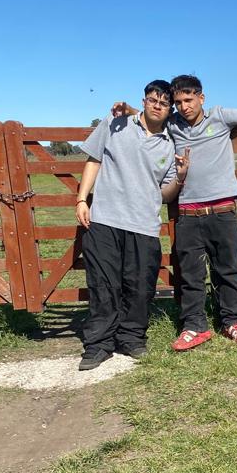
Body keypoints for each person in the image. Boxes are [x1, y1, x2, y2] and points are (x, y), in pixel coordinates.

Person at [115, 75, 237, 351]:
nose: (184, 106)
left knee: (227, 269)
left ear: (202, 98)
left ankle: (232, 321)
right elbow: (149, 115)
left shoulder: (220, 116)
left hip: (223, 210)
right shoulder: (173, 123)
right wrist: (128, 110)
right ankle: (194, 326)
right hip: (188, 213)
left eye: (189, 100)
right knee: (190, 273)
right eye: (178, 102)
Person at [76, 80, 190, 371]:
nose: (157, 106)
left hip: (144, 224)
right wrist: (81, 199)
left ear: (169, 109)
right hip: (105, 218)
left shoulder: (170, 142)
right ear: (144, 100)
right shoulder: (116, 123)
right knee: (103, 284)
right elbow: (93, 159)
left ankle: (131, 338)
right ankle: (98, 344)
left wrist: (180, 176)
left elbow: (165, 195)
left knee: (140, 286)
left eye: (164, 103)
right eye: (153, 100)